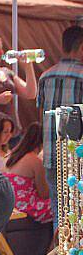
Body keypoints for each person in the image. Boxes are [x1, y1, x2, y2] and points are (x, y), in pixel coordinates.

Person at [38, 25, 83, 233]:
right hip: (77, 156)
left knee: (60, 210)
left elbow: (43, 113)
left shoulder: (45, 76)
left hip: (52, 155)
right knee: (78, 211)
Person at [3, 123, 53, 224]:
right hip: (27, 207)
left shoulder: (10, 156)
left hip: (12, 205)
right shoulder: (35, 161)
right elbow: (44, 194)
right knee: (60, 206)